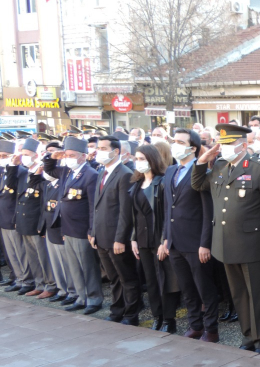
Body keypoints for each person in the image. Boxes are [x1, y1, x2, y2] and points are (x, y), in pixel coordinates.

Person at [192, 124, 260, 354]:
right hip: (226, 243)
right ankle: (248, 336)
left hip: (254, 244)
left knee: (258, 295)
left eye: (229, 144)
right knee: (239, 294)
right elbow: (198, 184)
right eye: (222, 144)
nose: (225, 148)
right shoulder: (220, 166)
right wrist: (202, 161)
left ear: (243, 145)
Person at [163, 129, 220, 342]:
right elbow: (168, 208)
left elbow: (208, 211)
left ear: (192, 148)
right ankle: (195, 325)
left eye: (180, 142)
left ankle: (211, 329)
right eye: (174, 141)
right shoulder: (171, 171)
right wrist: (166, 238)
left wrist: (205, 243)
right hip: (175, 241)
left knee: (205, 288)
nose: (175, 145)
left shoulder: (201, 171)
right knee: (187, 288)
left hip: (196, 242)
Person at [43, 137, 103, 314]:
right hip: (67, 227)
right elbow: (49, 170)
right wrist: (52, 157)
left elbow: (93, 206)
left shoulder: (90, 175)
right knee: (74, 266)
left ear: (83, 156)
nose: (68, 158)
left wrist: (91, 230)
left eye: (72, 155)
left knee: (87, 267)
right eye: (66, 155)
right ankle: (81, 297)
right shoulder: (67, 171)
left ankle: (94, 299)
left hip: (81, 229)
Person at [130, 144, 180, 333]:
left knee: (164, 280)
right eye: (137, 159)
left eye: (142, 159)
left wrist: (164, 240)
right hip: (143, 239)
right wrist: (133, 238)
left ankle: (168, 319)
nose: (138, 162)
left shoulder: (163, 182)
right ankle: (157, 316)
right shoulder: (137, 183)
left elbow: (168, 214)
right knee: (150, 281)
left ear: (152, 159)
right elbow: (134, 214)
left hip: (159, 238)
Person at [91, 135, 141, 324]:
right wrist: (93, 232)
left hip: (116, 239)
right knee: (114, 277)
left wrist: (120, 239)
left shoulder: (124, 174)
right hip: (102, 236)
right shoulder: (102, 172)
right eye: (99, 148)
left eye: (104, 148)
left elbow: (125, 211)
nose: (99, 152)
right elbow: (96, 206)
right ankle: (117, 311)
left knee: (127, 277)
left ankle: (131, 315)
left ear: (116, 151)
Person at [9, 139, 57, 298]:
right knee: (33, 256)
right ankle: (39, 283)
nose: (23, 157)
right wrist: (13, 165)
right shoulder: (24, 172)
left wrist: (42, 224)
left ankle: (50, 285)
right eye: (22, 154)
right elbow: (14, 191)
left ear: (36, 155)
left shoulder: (42, 172)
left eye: (26, 154)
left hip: (36, 221)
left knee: (43, 256)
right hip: (24, 220)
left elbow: (44, 201)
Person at [38, 141, 76, 304]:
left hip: (62, 225)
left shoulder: (66, 175)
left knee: (66, 262)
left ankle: (72, 291)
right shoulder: (49, 182)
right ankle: (62, 289)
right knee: (56, 262)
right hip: (50, 225)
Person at [0, 139, 34, 294]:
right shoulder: (3, 171)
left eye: (5, 156)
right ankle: (18, 278)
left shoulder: (19, 171)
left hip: (13, 217)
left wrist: (16, 218)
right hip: (3, 218)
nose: (2, 158)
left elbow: (19, 198)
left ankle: (27, 280)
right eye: (0, 156)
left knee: (21, 252)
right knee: (11, 253)